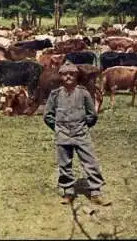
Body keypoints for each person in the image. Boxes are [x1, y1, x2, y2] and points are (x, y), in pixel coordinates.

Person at [43, 61, 109, 205]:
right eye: (65, 74)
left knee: (90, 162)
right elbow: (47, 116)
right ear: (60, 76)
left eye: (72, 74)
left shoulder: (84, 93)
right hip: (62, 134)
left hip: (81, 133)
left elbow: (92, 115)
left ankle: (96, 192)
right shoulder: (55, 95)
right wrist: (59, 128)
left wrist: (82, 126)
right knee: (64, 164)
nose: (68, 77)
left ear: (76, 75)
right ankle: (68, 191)